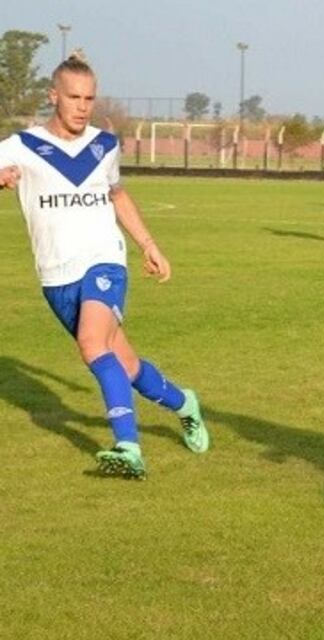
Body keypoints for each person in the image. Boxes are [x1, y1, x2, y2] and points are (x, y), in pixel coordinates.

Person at [0, 53, 209, 479]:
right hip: (56, 276)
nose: (82, 106)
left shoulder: (104, 145)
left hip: (104, 260)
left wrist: (149, 245)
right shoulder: (20, 147)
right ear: (53, 95)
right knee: (126, 365)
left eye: (89, 98)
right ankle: (185, 403)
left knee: (92, 344)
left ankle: (128, 447)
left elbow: (117, 195)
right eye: (74, 96)